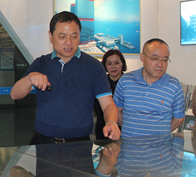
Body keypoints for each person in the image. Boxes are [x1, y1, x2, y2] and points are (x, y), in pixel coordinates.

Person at [10, 11, 120, 144]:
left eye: (74, 36)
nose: (69, 42)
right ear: (50, 36)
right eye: (62, 37)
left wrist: (111, 122)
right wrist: (29, 78)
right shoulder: (41, 63)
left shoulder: (94, 66)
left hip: (79, 143)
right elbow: (15, 94)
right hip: (43, 141)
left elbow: (108, 104)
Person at [113, 38, 185, 138]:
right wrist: (130, 131)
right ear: (142, 57)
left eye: (165, 60)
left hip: (160, 145)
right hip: (130, 145)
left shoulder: (174, 85)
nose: (160, 64)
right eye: (155, 59)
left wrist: (160, 134)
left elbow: (178, 119)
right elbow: (116, 111)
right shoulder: (125, 81)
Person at [94, 50, 126, 139]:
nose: (113, 67)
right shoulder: (100, 83)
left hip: (125, 128)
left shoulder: (128, 82)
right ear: (104, 65)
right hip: (103, 127)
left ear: (122, 64)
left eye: (117, 63)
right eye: (109, 64)